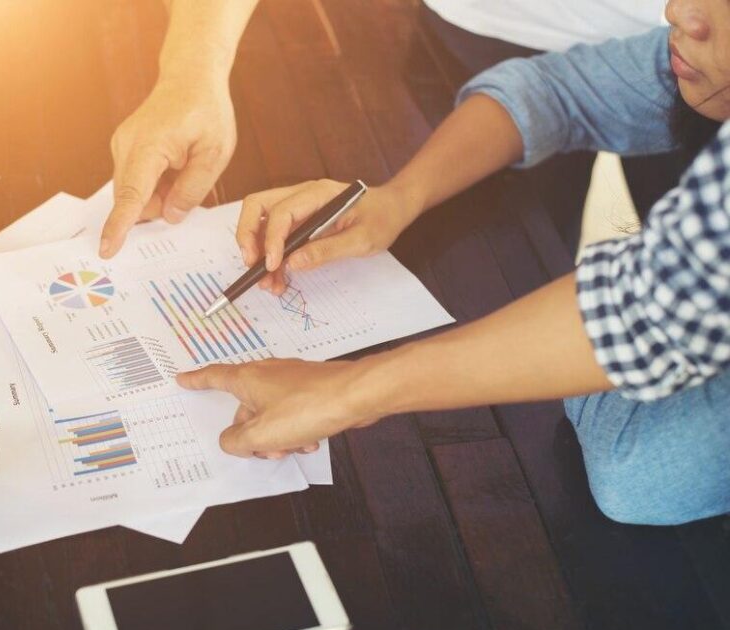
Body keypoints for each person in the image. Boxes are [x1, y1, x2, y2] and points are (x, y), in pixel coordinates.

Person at [174, 0, 730, 526]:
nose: (675, 11)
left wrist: (347, 392)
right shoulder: (695, 49)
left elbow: (633, 448)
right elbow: (552, 90)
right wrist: (399, 196)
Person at [98, 0, 666, 260]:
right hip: (481, 35)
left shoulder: (691, 34)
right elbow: (546, 96)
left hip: (704, 65)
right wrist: (193, 70)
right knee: (521, 249)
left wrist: (354, 392)